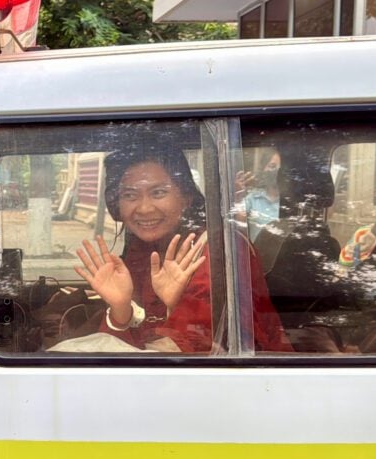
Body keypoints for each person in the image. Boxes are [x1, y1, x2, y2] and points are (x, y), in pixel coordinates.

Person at [72, 143, 290, 353]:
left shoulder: (219, 251)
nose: (144, 208)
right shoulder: (142, 249)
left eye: (158, 193)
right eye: (130, 195)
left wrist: (175, 304)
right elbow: (123, 350)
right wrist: (120, 309)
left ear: (186, 197)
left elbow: (208, 350)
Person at [238, 148, 281, 241]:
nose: (277, 171)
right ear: (264, 168)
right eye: (272, 166)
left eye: (281, 167)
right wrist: (238, 194)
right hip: (257, 254)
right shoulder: (253, 198)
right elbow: (237, 224)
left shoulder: (292, 204)